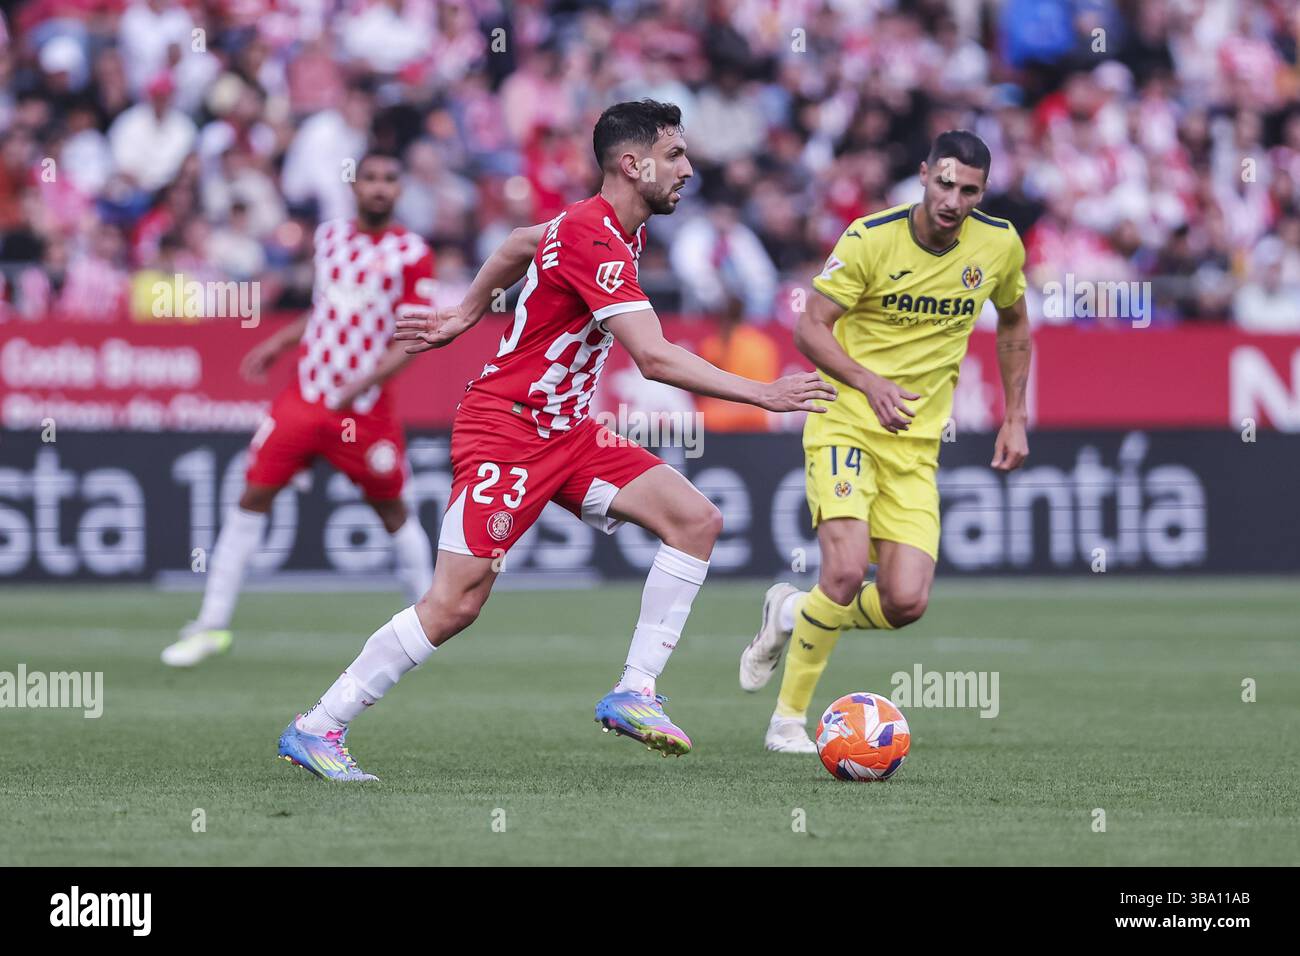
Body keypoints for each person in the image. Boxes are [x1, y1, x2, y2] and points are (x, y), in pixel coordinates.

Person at [275, 100, 835, 780]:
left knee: (695, 520)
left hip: (567, 432)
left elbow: (516, 244)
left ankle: (635, 690)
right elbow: (654, 358)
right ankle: (318, 725)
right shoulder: (590, 235)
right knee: (455, 603)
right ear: (634, 164)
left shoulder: (609, 229)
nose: (689, 168)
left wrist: (466, 311)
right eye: (677, 155)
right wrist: (765, 393)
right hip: (507, 428)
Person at [740, 131, 1033, 753]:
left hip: (915, 446)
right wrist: (867, 382)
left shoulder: (999, 245)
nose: (953, 199)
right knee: (844, 572)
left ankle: (792, 614)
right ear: (924, 175)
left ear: (984, 193)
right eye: (944, 183)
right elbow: (809, 328)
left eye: (969, 190)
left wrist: (1015, 415)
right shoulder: (871, 238)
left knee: (905, 602)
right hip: (845, 420)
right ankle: (787, 721)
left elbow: (1013, 324)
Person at [162, 151, 437, 667]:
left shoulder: (411, 251)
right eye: (371, 178)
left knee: (394, 509)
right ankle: (211, 624)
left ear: (399, 190)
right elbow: (324, 310)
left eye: (389, 179)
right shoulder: (329, 237)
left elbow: (413, 337)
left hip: (364, 409)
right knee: (252, 497)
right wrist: (280, 342)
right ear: (355, 187)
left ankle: (431, 616)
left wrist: (361, 383)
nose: (379, 187)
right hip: (306, 397)